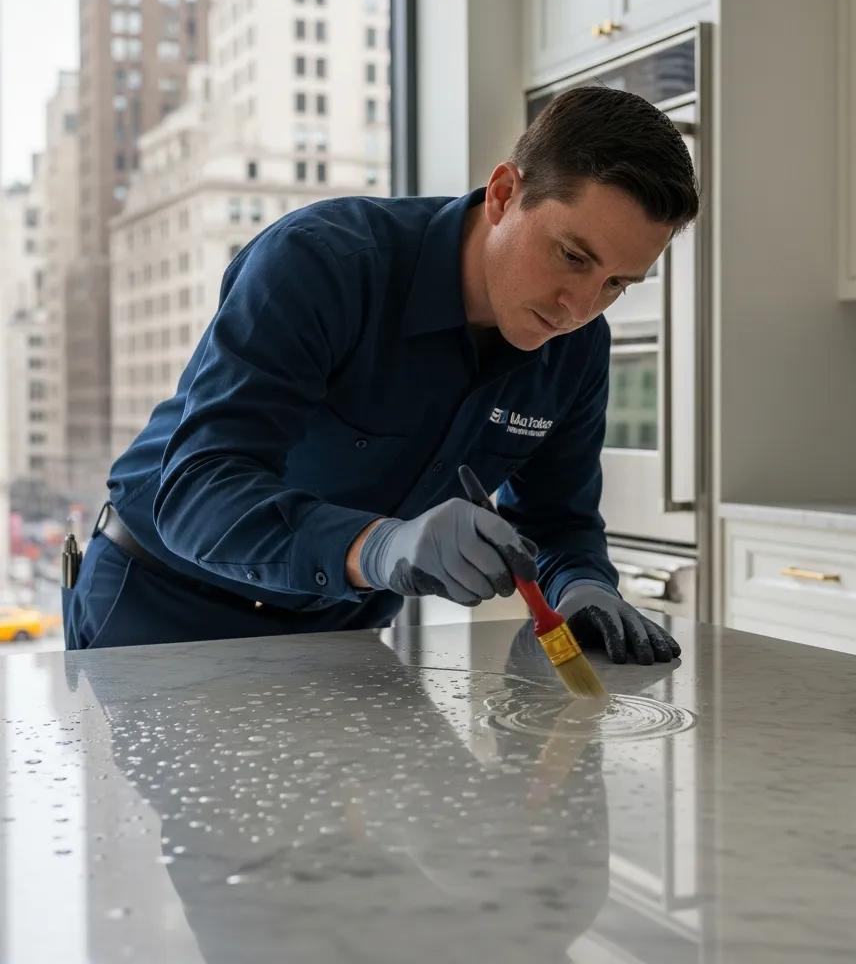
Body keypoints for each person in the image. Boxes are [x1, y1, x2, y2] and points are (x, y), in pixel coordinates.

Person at [62, 85, 700, 660]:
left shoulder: (578, 347)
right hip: (161, 608)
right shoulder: (321, 263)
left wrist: (581, 583)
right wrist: (379, 546)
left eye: (617, 283)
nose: (578, 307)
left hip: (344, 633)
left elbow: (559, 521)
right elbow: (199, 493)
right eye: (571, 256)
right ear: (505, 193)